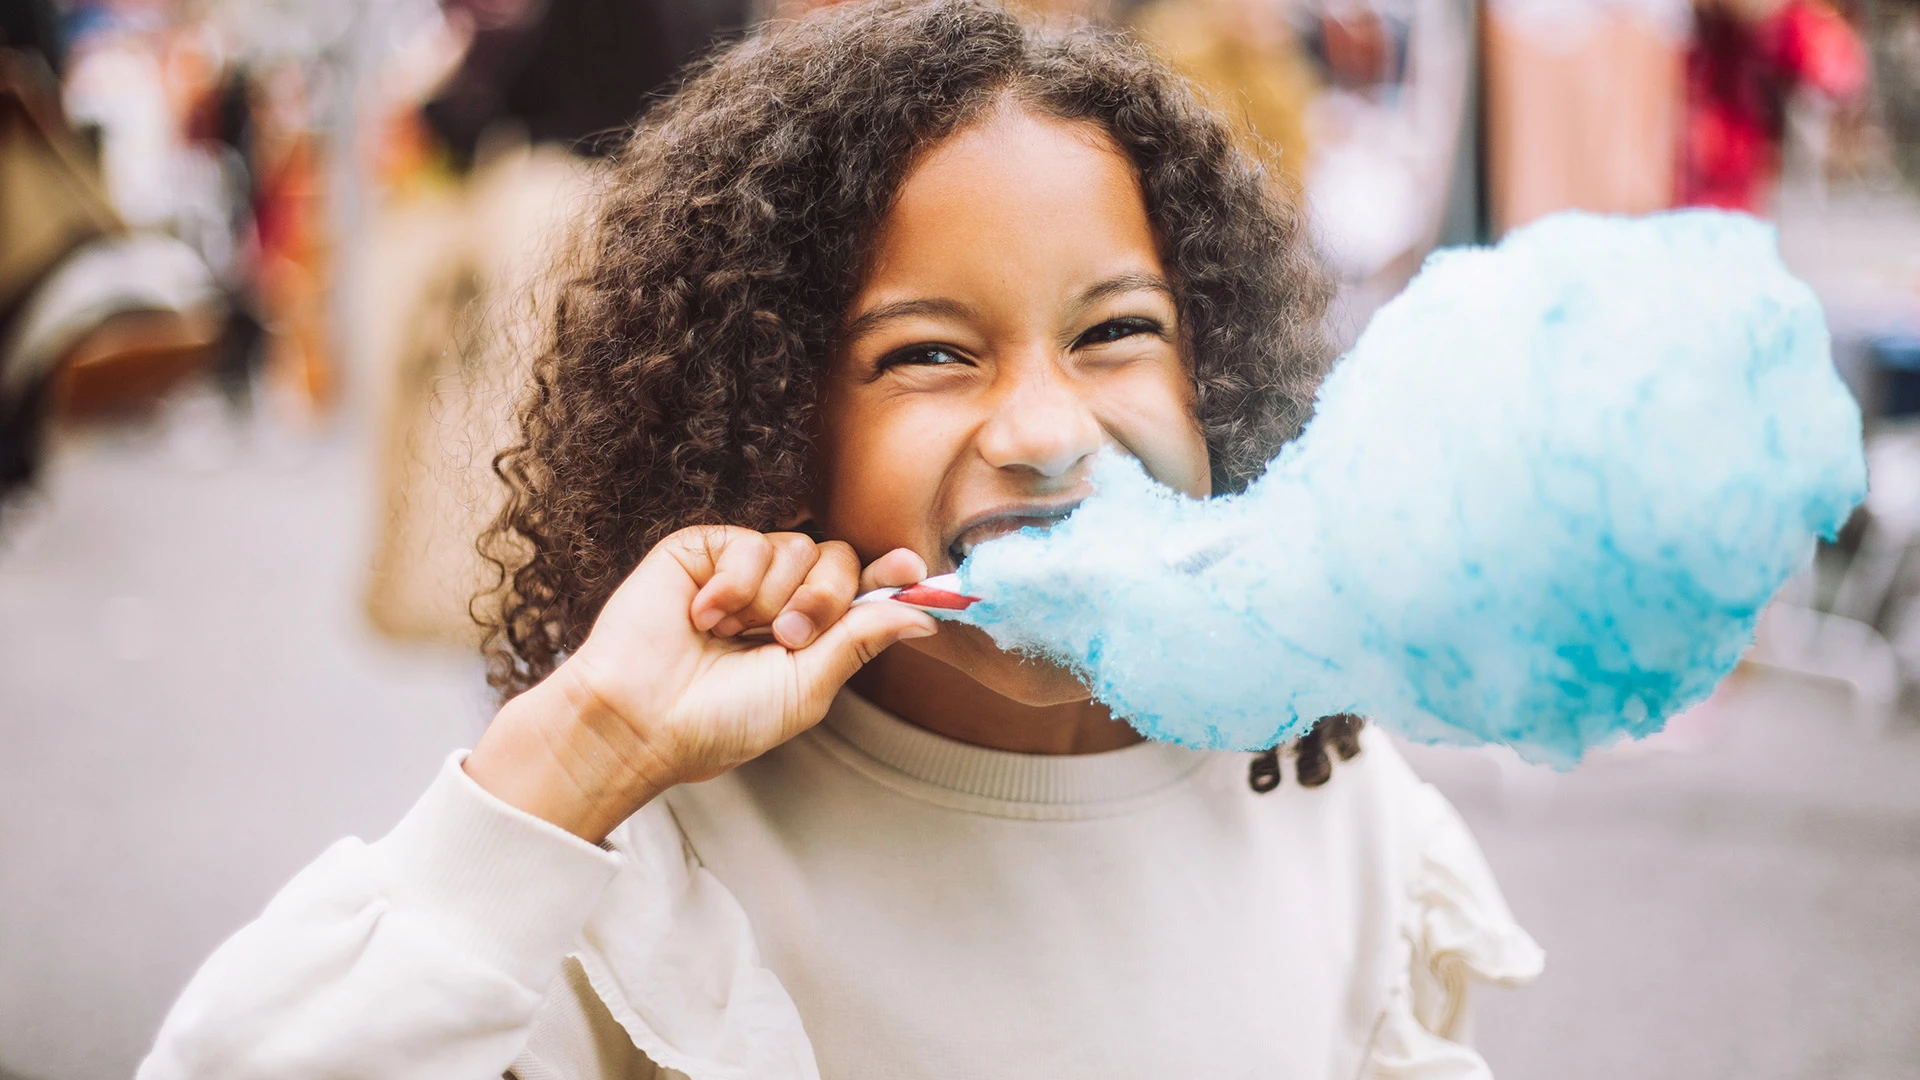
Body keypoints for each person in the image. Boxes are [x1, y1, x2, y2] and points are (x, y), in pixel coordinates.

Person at [140, 2, 1541, 1076]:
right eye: (929, 354)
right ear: (773, 430)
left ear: (1217, 370)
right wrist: (573, 756)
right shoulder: (640, 863)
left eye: (1117, 332)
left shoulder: (1343, 811)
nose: (1048, 430)